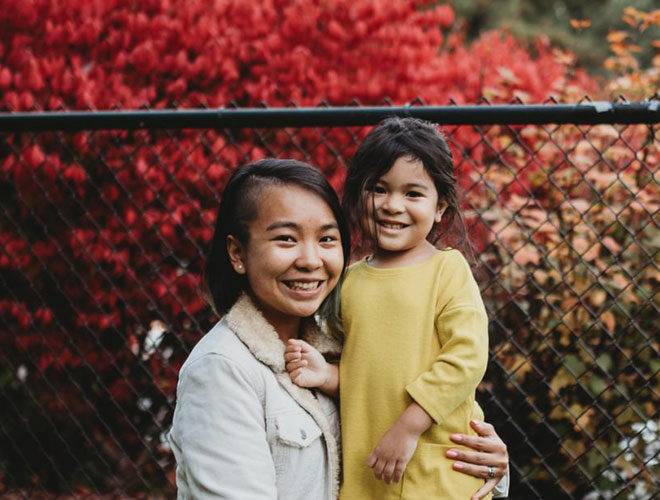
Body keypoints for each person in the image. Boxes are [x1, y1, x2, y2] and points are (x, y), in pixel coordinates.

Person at [169, 157, 508, 499]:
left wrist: (485, 462)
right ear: (237, 253)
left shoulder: (339, 351)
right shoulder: (222, 371)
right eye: (286, 239)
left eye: (327, 239)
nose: (311, 260)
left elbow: (408, 420)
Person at [285, 117, 509, 499]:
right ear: (359, 196)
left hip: (439, 476)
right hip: (368, 476)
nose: (392, 205)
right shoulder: (349, 279)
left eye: (412, 194)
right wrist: (329, 375)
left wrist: (408, 427)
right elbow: (371, 374)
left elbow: (467, 359)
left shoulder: (447, 270)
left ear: (440, 206)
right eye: (379, 189)